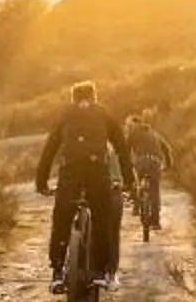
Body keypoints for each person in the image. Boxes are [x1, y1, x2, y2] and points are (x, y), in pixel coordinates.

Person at [35, 79, 131, 291]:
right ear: (94, 97)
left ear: (73, 98)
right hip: (97, 170)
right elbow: (122, 148)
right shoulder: (103, 113)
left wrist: (41, 182)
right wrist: (129, 181)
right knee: (101, 218)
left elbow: (49, 149)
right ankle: (98, 271)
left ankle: (58, 271)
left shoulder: (65, 114)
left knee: (61, 217)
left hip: (70, 170)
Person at [124, 111, 172, 232]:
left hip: (141, 161)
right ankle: (155, 221)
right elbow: (166, 148)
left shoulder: (133, 134)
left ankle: (137, 206)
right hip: (156, 162)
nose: (127, 127)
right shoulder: (154, 133)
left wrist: (126, 166)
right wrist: (169, 165)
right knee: (155, 191)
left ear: (134, 124)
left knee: (135, 181)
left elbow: (125, 150)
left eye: (128, 125)